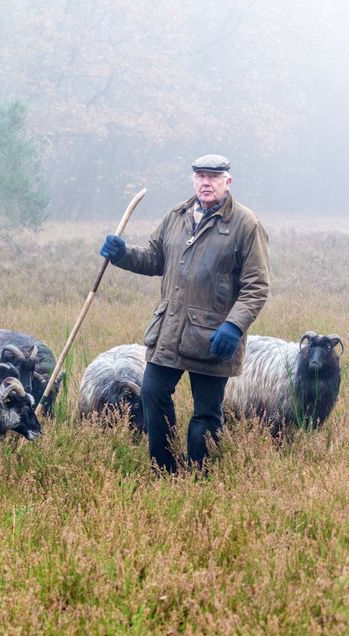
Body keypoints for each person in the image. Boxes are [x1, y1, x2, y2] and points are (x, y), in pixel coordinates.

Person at [99, 155, 270, 472]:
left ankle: (201, 474)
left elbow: (257, 286)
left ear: (227, 182)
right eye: (201, 176)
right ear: (194, 180)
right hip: (170, 330)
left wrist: (234, 326)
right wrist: (122, 254)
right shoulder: (176, 216)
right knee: (152, 392)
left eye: (213, 177)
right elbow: (153, 259)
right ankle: (165, 468)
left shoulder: (246, 225)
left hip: (214, 338)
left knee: (206, 413)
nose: (206, 182)